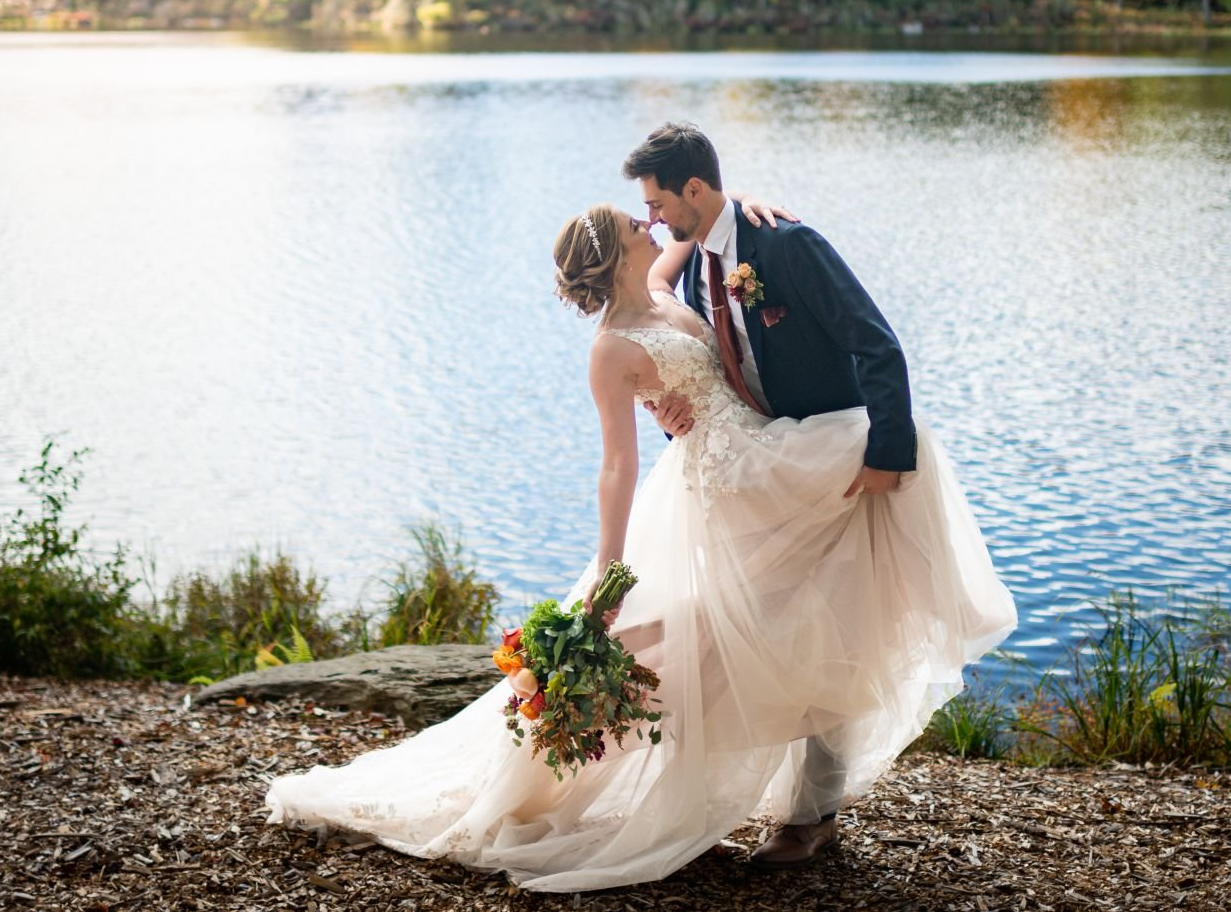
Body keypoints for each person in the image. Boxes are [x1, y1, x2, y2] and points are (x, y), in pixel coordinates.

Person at [262, 124, 1018, 893]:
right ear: (614, 249)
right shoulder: (610, 344)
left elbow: (716, 232)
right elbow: (616, 464)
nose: (649, 218)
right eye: (637, 217)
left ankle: (809, 810)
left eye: (653, 205)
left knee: (809, 608)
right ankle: (550, 771)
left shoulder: (675, 275)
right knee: (701, 633)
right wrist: (609, 563)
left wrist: (751, 206)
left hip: (762, 460)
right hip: (726, 481)